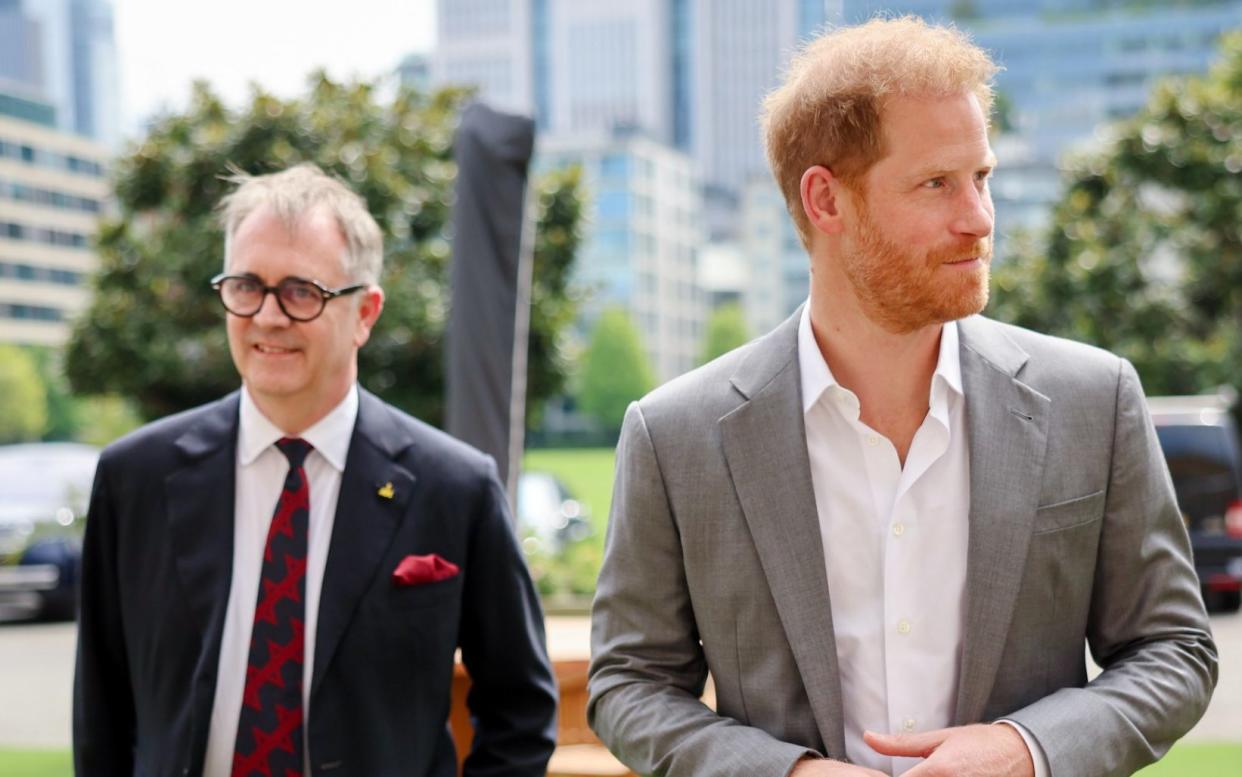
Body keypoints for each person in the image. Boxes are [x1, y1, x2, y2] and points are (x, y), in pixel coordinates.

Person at [587, 17, 1217, 777]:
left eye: (982, 178)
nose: (979, 219)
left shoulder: (1094, 398)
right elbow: (631, 684)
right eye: (936, 184)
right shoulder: (675, 435)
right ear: (826, 199)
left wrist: (1029, 749)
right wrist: (786, 773)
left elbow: (1173, 649)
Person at [74, 163, 558, 777]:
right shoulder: (133, 479)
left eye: (302, 291)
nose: (268, 316)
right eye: (247, 285)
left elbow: (520, 712)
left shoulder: (455, 488)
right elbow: (101, 713)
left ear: (365, 313)